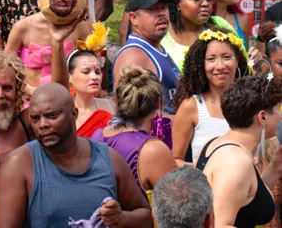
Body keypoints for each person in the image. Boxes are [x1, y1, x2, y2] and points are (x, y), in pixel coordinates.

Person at [0, 83, 153, 227]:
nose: (43, 125)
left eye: (52, 116)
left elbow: (146, 217)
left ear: (74, 115)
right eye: (35, 118)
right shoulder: (17, 166)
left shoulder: (109, 159)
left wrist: (121, 218)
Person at [196, 75, 282, 227]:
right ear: (262, 117)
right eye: (278, 110)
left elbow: (247, 199)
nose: (280, 116)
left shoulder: (215, 144)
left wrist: (275, 167)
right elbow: (221, 225)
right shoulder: (235, 162)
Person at [92, 65, 176, 201]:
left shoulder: (98, 135)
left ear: (118, 101)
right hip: (138, 222)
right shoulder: (153, 150)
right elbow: (178, 207)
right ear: (157, 102)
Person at [172, 29, 249, 166]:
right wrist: (204, 168)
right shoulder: (192, 106)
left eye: (226, 57)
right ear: (201, 64)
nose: (220, 66)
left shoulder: (253, 102)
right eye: (211, 59)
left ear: (237, 60)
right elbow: (174, 160)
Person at [4, 0, 90, 95]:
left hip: (68, 96)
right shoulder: (23, 27)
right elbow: (5, 68)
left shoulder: (79, 27)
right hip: (30, 99)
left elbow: (91, 61)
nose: (62, 2)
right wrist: (29, 90)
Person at [161, 0, 259, 71]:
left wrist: (254, 60)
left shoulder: (219, 24)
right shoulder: (162, 33)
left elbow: (244, 64)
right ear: (177, 3)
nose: (205, 4)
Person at [112, 0, 179, 115]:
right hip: (156, 135)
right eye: (152, 9)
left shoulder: (155, 47)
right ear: (134, 18)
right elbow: (133, 118)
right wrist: (186, 123)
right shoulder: (134, 55)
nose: (161, 13)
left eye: (164, 7)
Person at [66, 24, 115, 138]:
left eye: (97, 72)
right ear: (69, 77)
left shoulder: (111, 106)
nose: (94, 77)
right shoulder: (64, 113)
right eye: (86, 72)